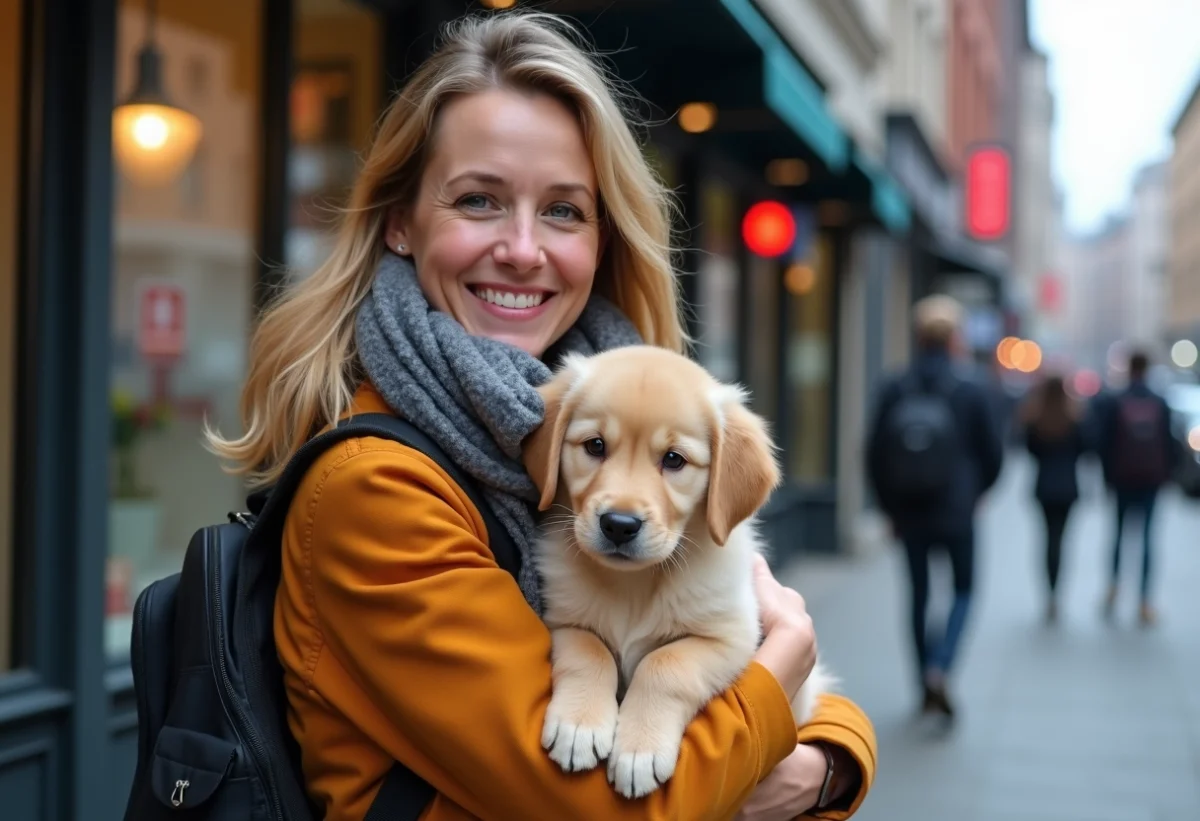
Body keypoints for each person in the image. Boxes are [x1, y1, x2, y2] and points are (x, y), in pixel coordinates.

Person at [207, 12, 875, 821]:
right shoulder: (375, 489)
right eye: (479, 199)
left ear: (601, 239)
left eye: (563, 210)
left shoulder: (597, 408)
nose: (523, 249)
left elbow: (740, 663)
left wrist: (830, 755)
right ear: (399, 222)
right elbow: (602, 805)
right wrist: (788, 669)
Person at [865, 295, 1003, 722]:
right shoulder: (971, 388)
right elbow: (993, 453)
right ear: (955, 338)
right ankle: (940, 665)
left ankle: (922, 680)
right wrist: (978, 493)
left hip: (909, 511)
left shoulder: (896, 385)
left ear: (918, 336)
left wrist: (888, 508)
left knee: (919, 595)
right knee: (963, 590)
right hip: (958, 509)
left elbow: (872, 453)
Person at [1093, 349, 1177, 626]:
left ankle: (1114, 589)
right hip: (1151, 480)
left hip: (1122, 479)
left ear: (1129, 369)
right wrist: (1166, 477)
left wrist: (1107, 477)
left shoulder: (1116, 400)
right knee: (1147, 540)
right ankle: (1144, 600)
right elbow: (1169, 443)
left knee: (1118, 535)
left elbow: (1104, 442)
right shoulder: (1159, 401)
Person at [1019, 372, 1091, 624]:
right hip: (1068, 488)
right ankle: (1056, 592)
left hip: (1044, 487)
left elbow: (1028, 449)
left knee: (1047, 539)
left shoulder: (1035, 419)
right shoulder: (1074, 418)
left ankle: (1049, 593)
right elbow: (1086, 448)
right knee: (1060, 540)